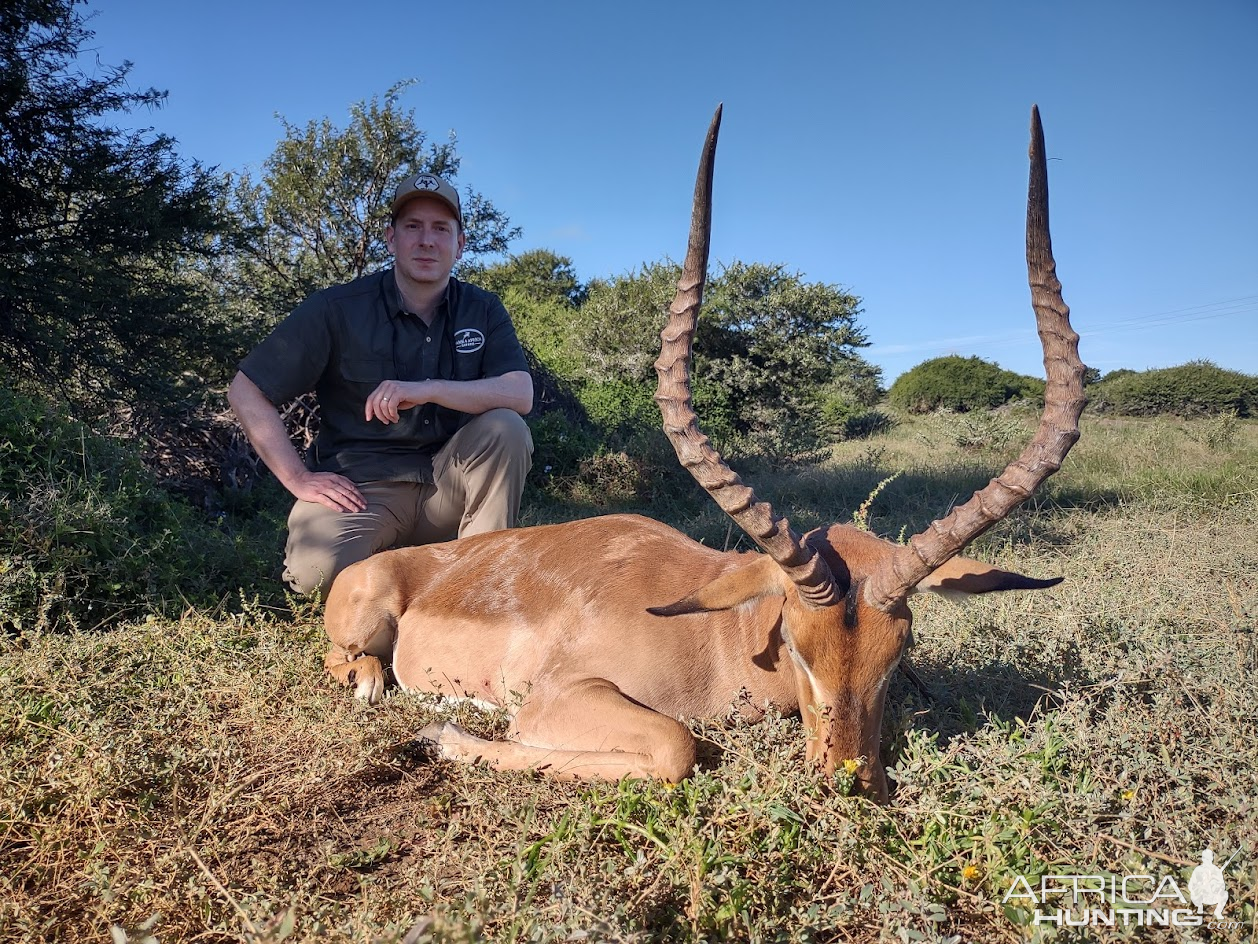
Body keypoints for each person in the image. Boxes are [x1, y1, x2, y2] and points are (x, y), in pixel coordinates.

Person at [228, 171, 534, 597]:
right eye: (413, 227)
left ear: (460, 244)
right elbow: (246, 391)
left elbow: (520, 393)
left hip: (446, 490)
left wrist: (426, 388)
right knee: (317, 576)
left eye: (440, 229)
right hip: (362, 490)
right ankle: (414, 567)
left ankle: (476, 587)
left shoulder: (482, 309)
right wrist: (299, 477)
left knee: (506, 427)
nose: (426, 240)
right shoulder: (336, 308)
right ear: (391, 239)